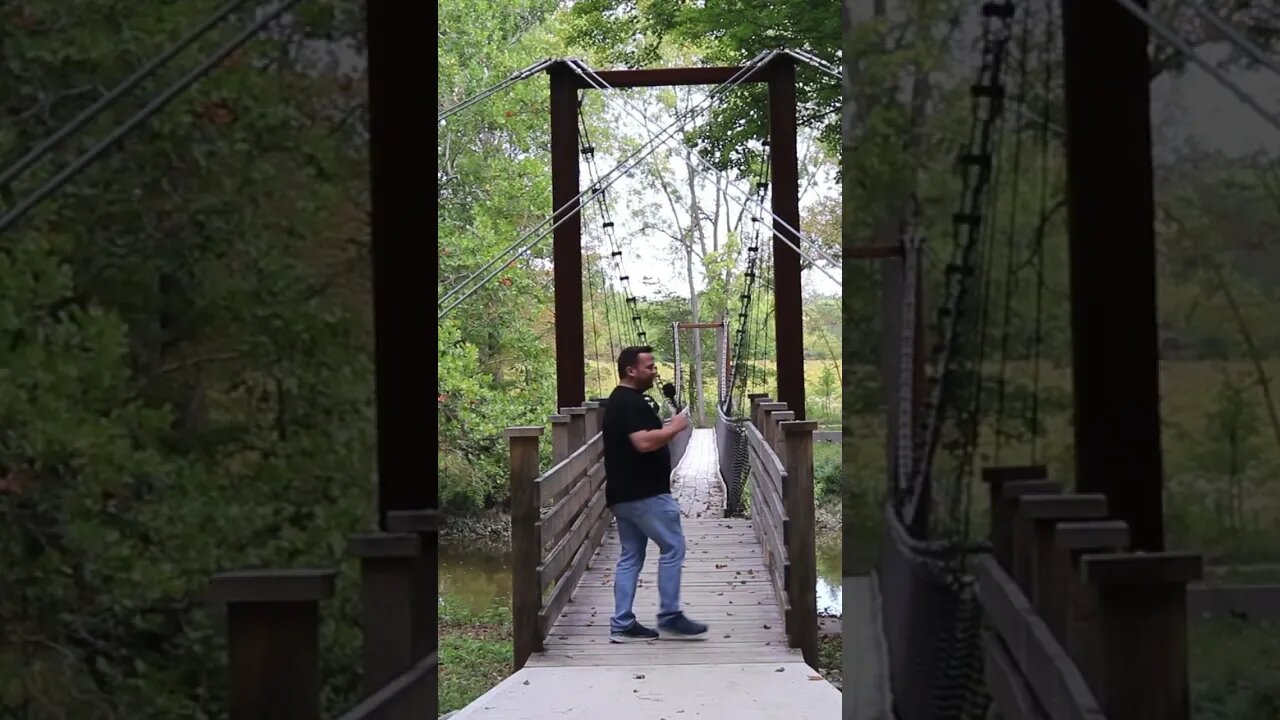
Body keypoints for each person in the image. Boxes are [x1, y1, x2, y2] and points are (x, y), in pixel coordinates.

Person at [602, 345, 709, 643]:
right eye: (649, 367)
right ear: (630, 370)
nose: (654, 372)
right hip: (644, 493)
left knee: (631, 556)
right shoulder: (628, 402)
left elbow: (640, 435)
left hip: (624, 493)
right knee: (673, 546)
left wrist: (665, 426)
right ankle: (670, 614)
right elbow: (643, 443)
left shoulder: (624, 400)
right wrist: (674, 428)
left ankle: (622, 623)